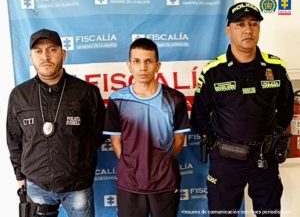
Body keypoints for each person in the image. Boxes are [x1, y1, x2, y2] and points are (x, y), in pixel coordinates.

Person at [190, 2, 294, 217]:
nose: (248, 30)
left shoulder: (276, 67)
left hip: (265, 158)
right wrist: (222, 141)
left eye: (254, 24)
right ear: (228, 30)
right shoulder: (213, 72)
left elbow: (286, 108)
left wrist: (271, 138)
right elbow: (198, 118)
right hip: (226, 160)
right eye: (240, 24)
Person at [6, 28, 106, 217]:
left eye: (52, 49)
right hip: (36, 184)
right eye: (38, 51)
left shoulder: (87, 93)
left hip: (77, 185)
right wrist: (19, 176)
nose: (45, 56)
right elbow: (14, 139)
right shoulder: (19, 95)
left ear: (63, 53)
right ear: (30, 57)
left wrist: (78, 159)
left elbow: (99, 131)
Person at [103, 38, 190, 217]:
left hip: (165, 183)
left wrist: (162, 164)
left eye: (148, 61)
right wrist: (132, 166)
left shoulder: (175, 98)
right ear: (129, 65)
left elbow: (179, 140)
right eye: (137, 61)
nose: (143, 67)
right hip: (129, 184)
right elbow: (116, 140)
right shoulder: (118, 99)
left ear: (158, 66)